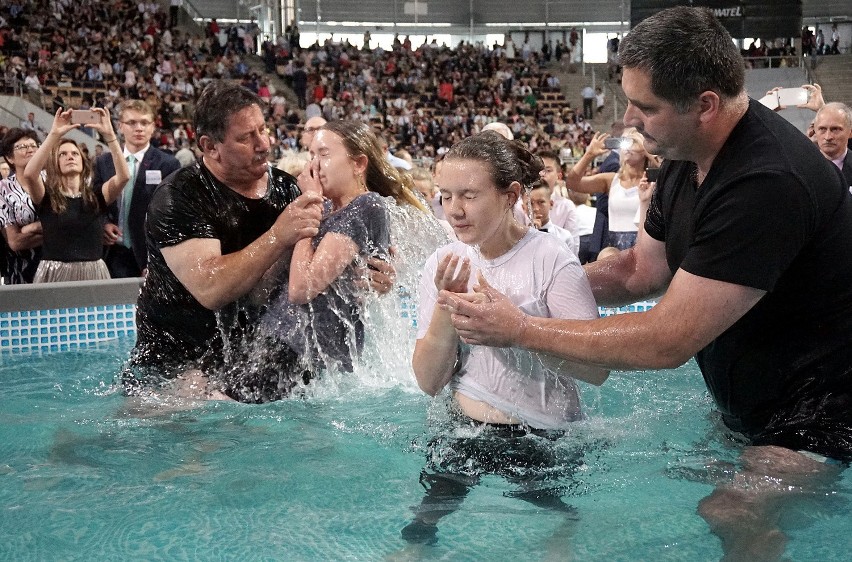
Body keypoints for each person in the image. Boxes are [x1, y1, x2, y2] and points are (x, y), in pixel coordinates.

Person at [439, 7, 852, 560]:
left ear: (704, 105)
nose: (630, 117)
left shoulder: (764, 183)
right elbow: (640, 271)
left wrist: (519, 328)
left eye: (646, 105)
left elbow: (666, 341)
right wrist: (532, 282)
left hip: (819, 409)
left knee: (731, 510)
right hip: (752, 398)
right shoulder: (688, 153)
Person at [403, 131, 608, 545]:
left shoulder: (551, 259)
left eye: (469, 196)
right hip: (464, 430)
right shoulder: (444, 262)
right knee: (419, 527)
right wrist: (447, 308)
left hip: (543, 434)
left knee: (560, 519)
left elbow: (597, 369)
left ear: (510, 194)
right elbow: (428, 382)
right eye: (446, 196)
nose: (454, 211)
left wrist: (518, 331)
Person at [125, 81, 324, 393]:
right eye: (246, 137)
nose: (263, 144)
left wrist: (368, 274)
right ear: (210, 146)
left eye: (263, 129)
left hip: (247, 360)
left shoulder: (286, 190)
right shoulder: (180, 197)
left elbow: (312, 267)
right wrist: (278, 236)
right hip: (174, 365)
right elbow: (211, 287)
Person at [228, 121, 395, 402]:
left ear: (358, 164)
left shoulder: (368, 205)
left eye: (324, 154)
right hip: (281, 342)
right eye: (311, 155)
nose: (313, 166)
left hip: (301, 353)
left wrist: (310, 202)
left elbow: (302, 288)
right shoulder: (329, 208)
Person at [19, 108, 129, 282]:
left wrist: (110, 136)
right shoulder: (47, 196)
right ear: (55, 164)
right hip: (54, 274)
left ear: (83, 163)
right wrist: (54, 134)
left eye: (74, 154)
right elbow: (30, 174)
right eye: (63, 154)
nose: (70, 157)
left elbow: (124, 176)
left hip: (94, 274)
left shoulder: (96, 195)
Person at [95, 100, 181, 278]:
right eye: (132, 123)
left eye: (144, 123)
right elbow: (94, 203)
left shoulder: (168, 163)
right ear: (120, 126)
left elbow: (172, 214)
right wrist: (103, 224)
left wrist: (157, 260)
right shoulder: (104, 162)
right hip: (112, 251)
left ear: (153, 127)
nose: (139, 128)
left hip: (150, 253)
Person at [564, 128, 657, 250]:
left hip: (646, 245)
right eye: (624, 141)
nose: (628, 147)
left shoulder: (652, 180)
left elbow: (671, 177)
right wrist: (589, 155)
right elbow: (572, 183)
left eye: (633, 141)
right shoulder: (611, 180)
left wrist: (648, 151)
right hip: (615, 246)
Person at [0, 129, 42, 283]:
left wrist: (31, 229)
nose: (30, 149)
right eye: (22, 147)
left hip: (59, 263)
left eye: (33, 145)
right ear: (10, 158)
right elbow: (15, 242)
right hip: (23, 269)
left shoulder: (52, 181)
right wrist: (54, 230)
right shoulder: (3, 189)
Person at [524, 181, 577, 254]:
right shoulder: (518, 240)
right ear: (523, 207)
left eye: (541, 202)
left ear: (551, 204)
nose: (536, 208)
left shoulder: (565, 237)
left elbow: (573, 265)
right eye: (530, 203)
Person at [812, 102, 852, 189]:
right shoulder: (803, 168)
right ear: (815, 130)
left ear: (850, 132)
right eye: (822, 129)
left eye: (835, 129)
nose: (828, 137)